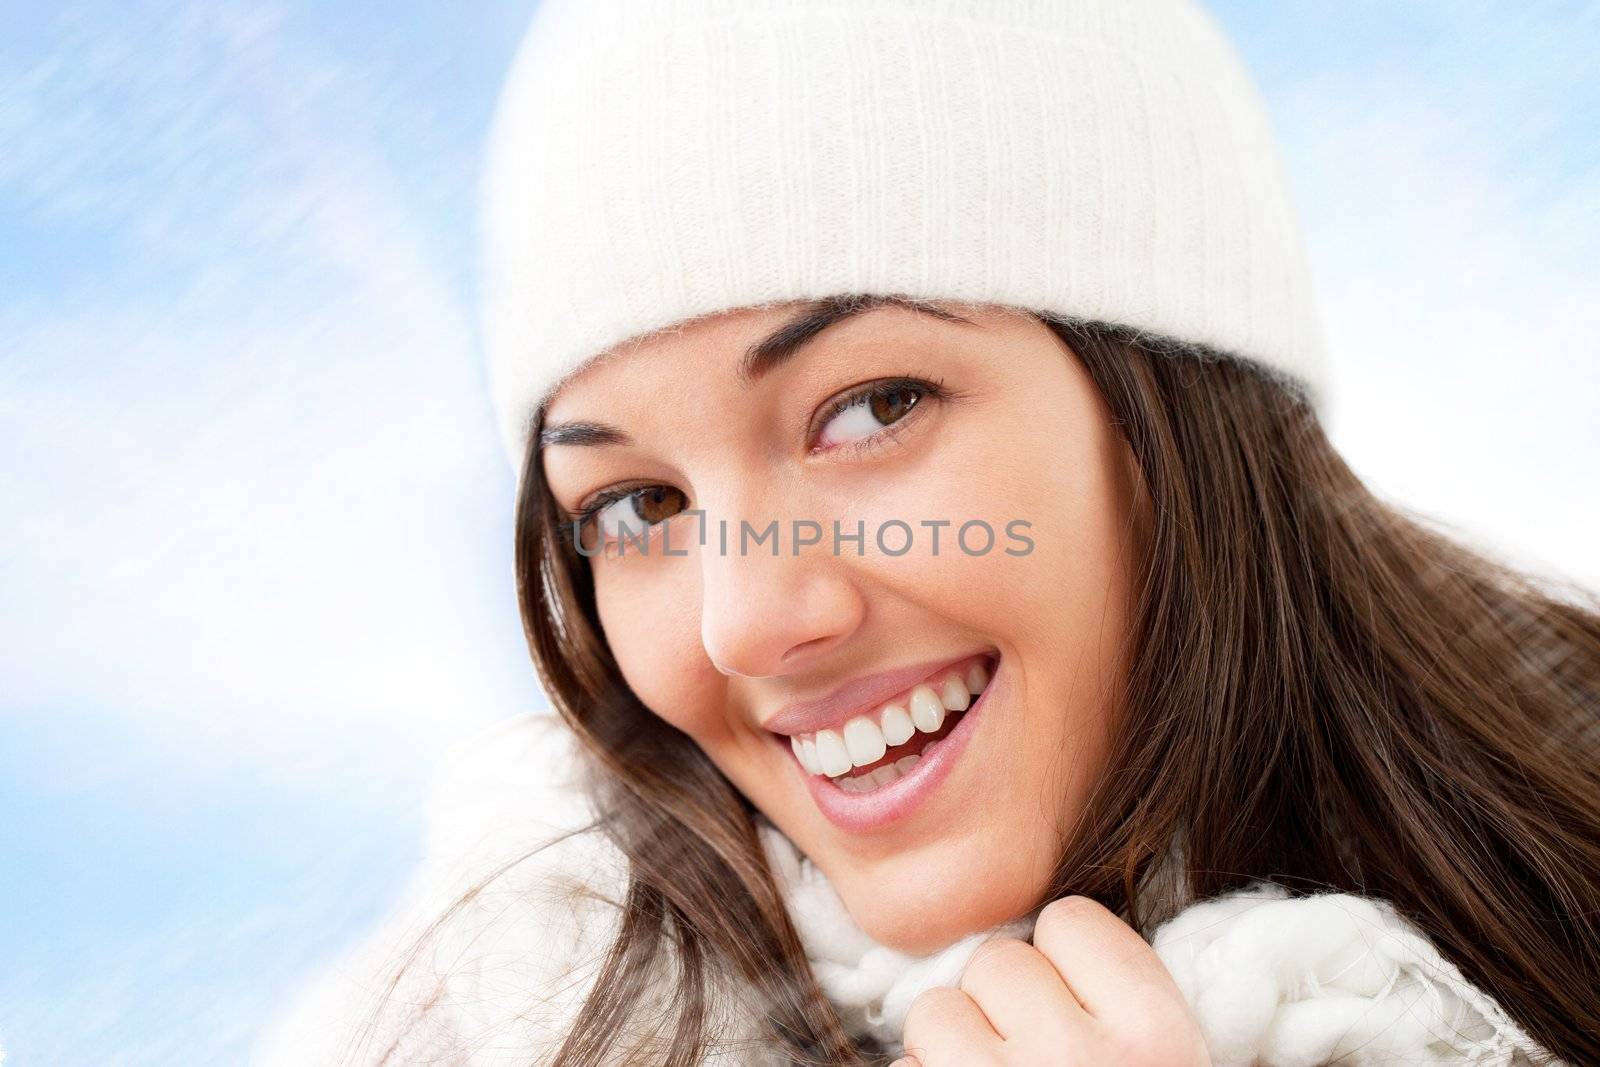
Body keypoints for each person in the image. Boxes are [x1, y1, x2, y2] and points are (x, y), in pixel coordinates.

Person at [252, 1, 1600, 1064]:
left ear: (1182, 403)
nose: (747, 619)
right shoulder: (502, 1018)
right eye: (638, 506)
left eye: (872, 407)